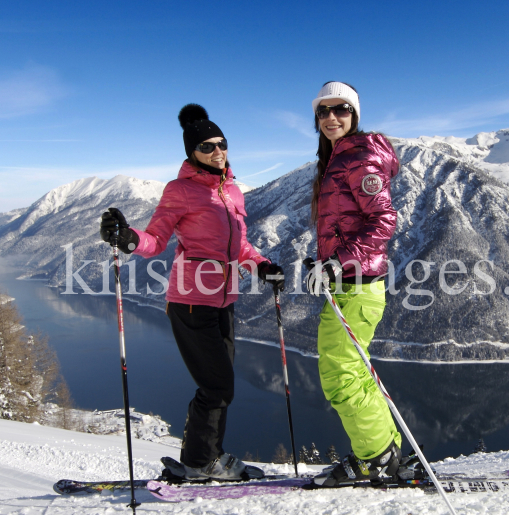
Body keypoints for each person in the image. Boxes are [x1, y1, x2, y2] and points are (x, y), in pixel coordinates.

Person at [99, 104, 284, 481]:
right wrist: (128, 239)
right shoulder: (180, 191)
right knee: (217, 385)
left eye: (222, 143)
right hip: (190, 300)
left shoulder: (232, 191)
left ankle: (206, 456)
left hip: (225, 298)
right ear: (192, 153)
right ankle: (200, 462)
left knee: (221, 385)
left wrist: (261, 264)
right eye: (207, 146)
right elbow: (156, 240)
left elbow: (241, 246)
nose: (217, 151)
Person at [303, 81, 402, 487]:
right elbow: (347, 224)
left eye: (340, 109)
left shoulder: (359, 156)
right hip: (348, 281)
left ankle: (374, 457)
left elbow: (384, 220)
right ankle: (384, 449)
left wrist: (337, 262)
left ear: (354, 114)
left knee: (340, 374)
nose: (331, 118)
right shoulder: (337, 159)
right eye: (323, 112)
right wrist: (326, 261)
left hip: (357, 284)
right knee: (354, 373)